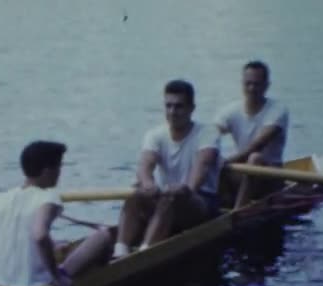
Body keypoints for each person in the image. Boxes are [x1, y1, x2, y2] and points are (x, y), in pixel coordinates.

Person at [0, 141, 114, 286]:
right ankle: (98, 276)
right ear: (47, 171)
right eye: (59, 167)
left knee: (57, 245)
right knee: (105, 235)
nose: (60, 173)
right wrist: (57, 278)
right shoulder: (48, 199)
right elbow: (40, 235)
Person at [112, 79, 222, 258]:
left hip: (201, 201)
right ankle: (120, 251)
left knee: (172, 196)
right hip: (167, 199)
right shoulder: (155, 135)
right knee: (136, 193)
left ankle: (144, 253)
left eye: (179, 106)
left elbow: (203, 165)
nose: (172, 112)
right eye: (168, 106)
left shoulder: (208, 132)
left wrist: (187, 190)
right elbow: (145, 165)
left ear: (191, 108)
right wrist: (148, 184)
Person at [213, 60, 290, 208]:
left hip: (271, 178)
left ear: (267, 86)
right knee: (210, 156)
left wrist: (226, 162)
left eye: (257, 84)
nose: (252, 88)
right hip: (243, 174)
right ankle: (220, 205)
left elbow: (256, 146)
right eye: (248, 83)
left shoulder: (278, 111)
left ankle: (239, 211)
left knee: (254, 158)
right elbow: (208, 136)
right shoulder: (231, 110)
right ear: (242, 84)